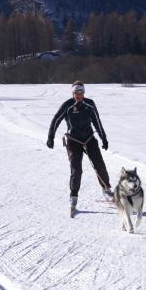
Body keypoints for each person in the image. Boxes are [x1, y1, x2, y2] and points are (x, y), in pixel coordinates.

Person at [47, 81, 113, 213]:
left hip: (89, 139)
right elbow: (56, 120)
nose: (79, 95)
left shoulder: (90, 104)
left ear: (84, 93)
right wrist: (51, 137)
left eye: (81, 92)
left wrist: (103, 139)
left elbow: (97, 122)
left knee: (99, 165)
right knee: (76, 170)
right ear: (72, 93)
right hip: (73, 141)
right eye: (76, 93)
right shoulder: (67, 105)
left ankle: (106, 190)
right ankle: (73, 197)